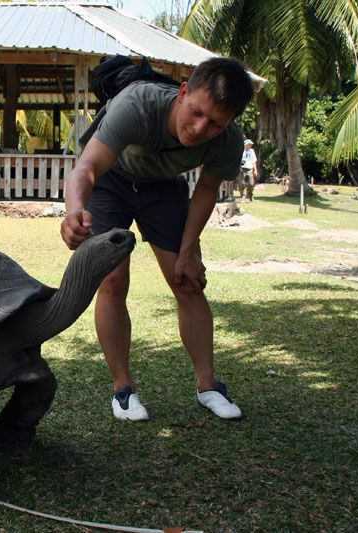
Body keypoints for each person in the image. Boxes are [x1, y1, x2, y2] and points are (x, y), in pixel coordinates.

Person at [60, 57, 254, 421]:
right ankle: (123, 390)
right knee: (113, 279)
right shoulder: (137, 104)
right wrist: (74, 210)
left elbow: (207, 190)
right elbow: (86, 167)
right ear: (183, 92)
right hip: (111, 181)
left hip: (163, 188)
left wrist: (188, 250)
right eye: (195, 112)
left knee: (188, 282)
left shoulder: (228, 141)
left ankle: (209, 387)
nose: (199, 129)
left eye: (214, 123)